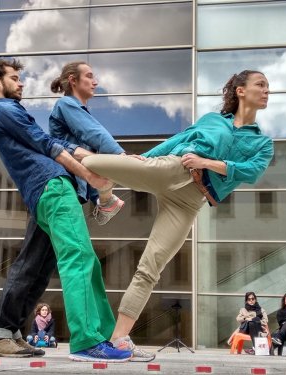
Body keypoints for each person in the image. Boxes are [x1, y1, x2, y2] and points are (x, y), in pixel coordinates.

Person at [81, 70, 274, 356]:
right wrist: (144, 158)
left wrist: (208, 162)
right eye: (261, 84)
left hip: (190, 201)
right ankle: (94, 185)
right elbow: (178, 138)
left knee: (150, 268)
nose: (267, 90)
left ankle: (119, 339)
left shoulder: (262, 143)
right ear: (241, 91)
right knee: (95, 163)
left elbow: (252, 171)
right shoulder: (211, 120)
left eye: (268, 86)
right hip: (174, 170)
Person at [0, 58, 130, 362]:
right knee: (81, 257)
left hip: (42, 194)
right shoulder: (7, 110)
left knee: (35, 266)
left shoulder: (3, 114)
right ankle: (89, 340)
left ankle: (4, 332)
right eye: (15, 78)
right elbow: (49, 144)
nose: (21, 83)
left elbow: (53, 144)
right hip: (53, 187)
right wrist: (89, 175)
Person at [49, 61, 125, 225]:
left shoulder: (76, 111)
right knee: (71, 246)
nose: (95, 82)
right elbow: (92, 132)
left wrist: (99, 198)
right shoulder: (65, 104)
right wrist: (121, 155)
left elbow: (87, 161)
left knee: (47, 248)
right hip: (61, 187)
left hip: (69, 190)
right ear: (73, 80)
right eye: (89, 76)